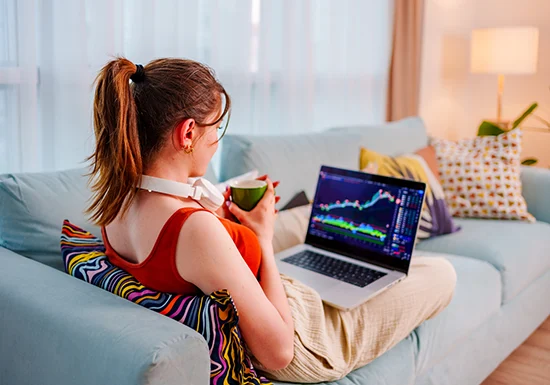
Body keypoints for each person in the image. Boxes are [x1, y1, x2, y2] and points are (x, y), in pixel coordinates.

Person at [87, 57, 456, 382]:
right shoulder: (193, 228)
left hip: (255, 288)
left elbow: (178, 256)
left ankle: (341, 262)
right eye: (216, 128)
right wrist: (261, 238)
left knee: (312, 218)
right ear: (187, 133)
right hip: (301, 336)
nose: (216, 139)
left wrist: (223, 218)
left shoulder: (114, 198)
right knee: (440, 272)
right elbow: (278, 352)